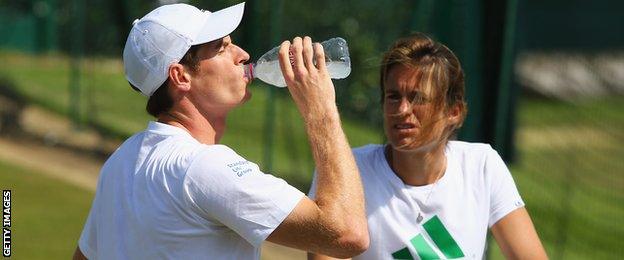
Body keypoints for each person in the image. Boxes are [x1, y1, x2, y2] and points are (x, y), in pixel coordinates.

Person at [72, 2, 369, 259]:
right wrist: (321, 108)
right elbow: (347, 233)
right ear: (181, 76)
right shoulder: (205, 167)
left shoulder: (121, 161)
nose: (242, 54)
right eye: (221, 47)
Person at [309, 33, 547, 259]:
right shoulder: (346, 172)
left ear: (454, 111)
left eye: (418, 98)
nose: (402, 110)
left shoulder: (482, 166)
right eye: (393, 96)